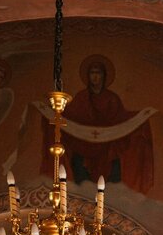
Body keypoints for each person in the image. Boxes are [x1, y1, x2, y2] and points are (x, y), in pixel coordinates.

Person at [60, 56, 155, 193]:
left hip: (108, 150)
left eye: (98, 73)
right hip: (83, 148)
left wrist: (141, 116)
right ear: (87, 76)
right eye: (92, 73)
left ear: (104, 75)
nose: (95, 77)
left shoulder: (112, 98)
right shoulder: (81, 98)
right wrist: (51, 112)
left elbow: (121, 120)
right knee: (83, 186)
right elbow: (70, 117)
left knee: (112, 186)